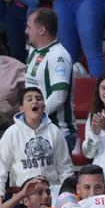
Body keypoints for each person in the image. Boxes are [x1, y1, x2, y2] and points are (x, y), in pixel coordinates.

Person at [0, 86, 75, 205]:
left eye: (39, 98)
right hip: (23, 198)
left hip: (52, 196)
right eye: (29, 99)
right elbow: (0, 169)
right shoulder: (11, 133)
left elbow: (65, 168)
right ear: (21, 108)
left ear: (44, 106)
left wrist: (68, 195)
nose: (35, 101)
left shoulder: (55, 131)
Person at [23, 8, 76, 149]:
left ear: (41, 30)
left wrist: (33, 116)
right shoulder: (33, 51)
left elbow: (59, 96)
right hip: (37, 131)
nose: (26, 31)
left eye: (29, 27)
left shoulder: (59, 56)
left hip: (58, 133)